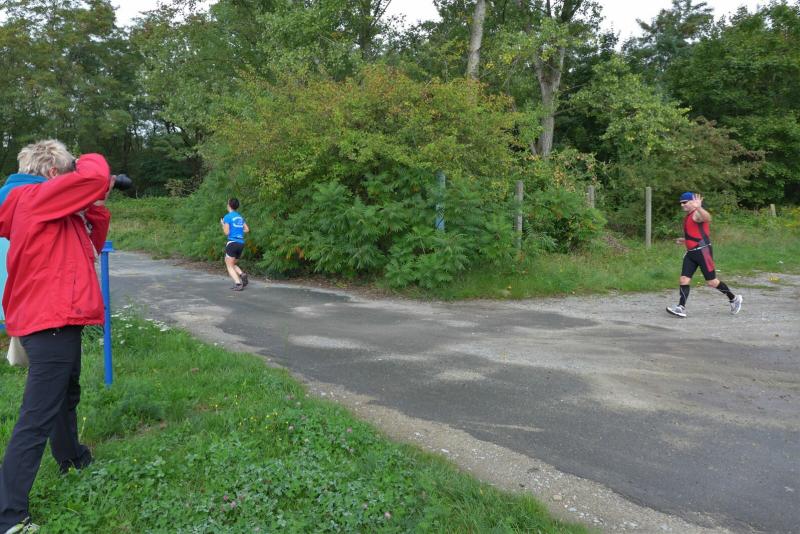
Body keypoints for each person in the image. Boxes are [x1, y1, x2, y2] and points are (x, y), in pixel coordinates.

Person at [0, 140, 114, 534]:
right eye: (68, 175)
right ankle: (9, 515)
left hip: (58, 317)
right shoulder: (35, 198)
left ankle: (72, 458)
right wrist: (84, 163)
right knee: (36, 417)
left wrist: (92, 206)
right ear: (53, 174)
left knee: (66, 394)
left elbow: (90, 246)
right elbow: (95, 176)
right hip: (49, 319)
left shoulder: (49, 208)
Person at [666, 192, 743, 318]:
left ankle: (734, 299)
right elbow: (696, 233)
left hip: (703, 252)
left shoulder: (697, 213)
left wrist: (699, 208)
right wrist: (685, 240)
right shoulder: (689, 216)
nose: (682, 205)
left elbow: (707, 218)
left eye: (684, 202)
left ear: (692, 202)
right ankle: (681, 307)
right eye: (681, 203)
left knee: (712, 282)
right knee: (684, 279)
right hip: (691, 253)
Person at [220, 197, 249, 291]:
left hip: (232, 243)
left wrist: (223, 224)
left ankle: (238, 284)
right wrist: (238, 231)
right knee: (231, 263)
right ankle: (242, 274)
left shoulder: (227, 217)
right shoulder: (240, 217)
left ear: (229, 205)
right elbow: (247, 229)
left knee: (229, 265)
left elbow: (226, 233)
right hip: (241, 243)